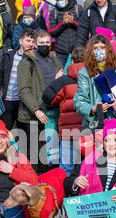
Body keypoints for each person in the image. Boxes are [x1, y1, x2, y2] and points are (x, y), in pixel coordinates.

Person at [17, 30, 62, 173]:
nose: (45, 45)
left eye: (47, 43)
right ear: (35, 44)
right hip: (33, 115)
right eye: (41, 43)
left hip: (53, 112)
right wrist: (36, 109)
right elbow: (24, 90)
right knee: (36, 156)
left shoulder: (55, 59)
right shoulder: (27, 62)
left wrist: (58, 81)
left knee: (52, 155)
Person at [74, 34, 116, 129]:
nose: (99, 50)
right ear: (90, 51)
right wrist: (93, 108)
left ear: (108, 50)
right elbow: (79, 101)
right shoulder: (84, 73)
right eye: (95, 48)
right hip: (96, 123)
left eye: (103, 47)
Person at [43, 46, 85, 175]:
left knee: (66, 167)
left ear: (71, 61)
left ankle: (65, 193)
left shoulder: (63, 81)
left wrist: (56, 81)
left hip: (68, 130)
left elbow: (47, 98)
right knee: (88, 167)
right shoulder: (93, 79)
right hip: (88, 129)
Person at [0, 29, 36, 130]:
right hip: (8, 101)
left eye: (33, 41)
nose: (31, 44)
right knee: (6, 131)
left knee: (22, 134)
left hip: (24, 104)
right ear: (20, 41)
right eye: (28, 41)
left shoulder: (34, 59)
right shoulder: (9, 56)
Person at [49, 0, 83, 67]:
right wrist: (62, 24)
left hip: (77, 50)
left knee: (78, 72)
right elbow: (52, 32)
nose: (59, 1)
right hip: (61, 51)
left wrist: (73, 22)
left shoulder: (78, 9)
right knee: (59, 72)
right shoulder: (54, 12)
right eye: (57, 0)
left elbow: (84, 28)